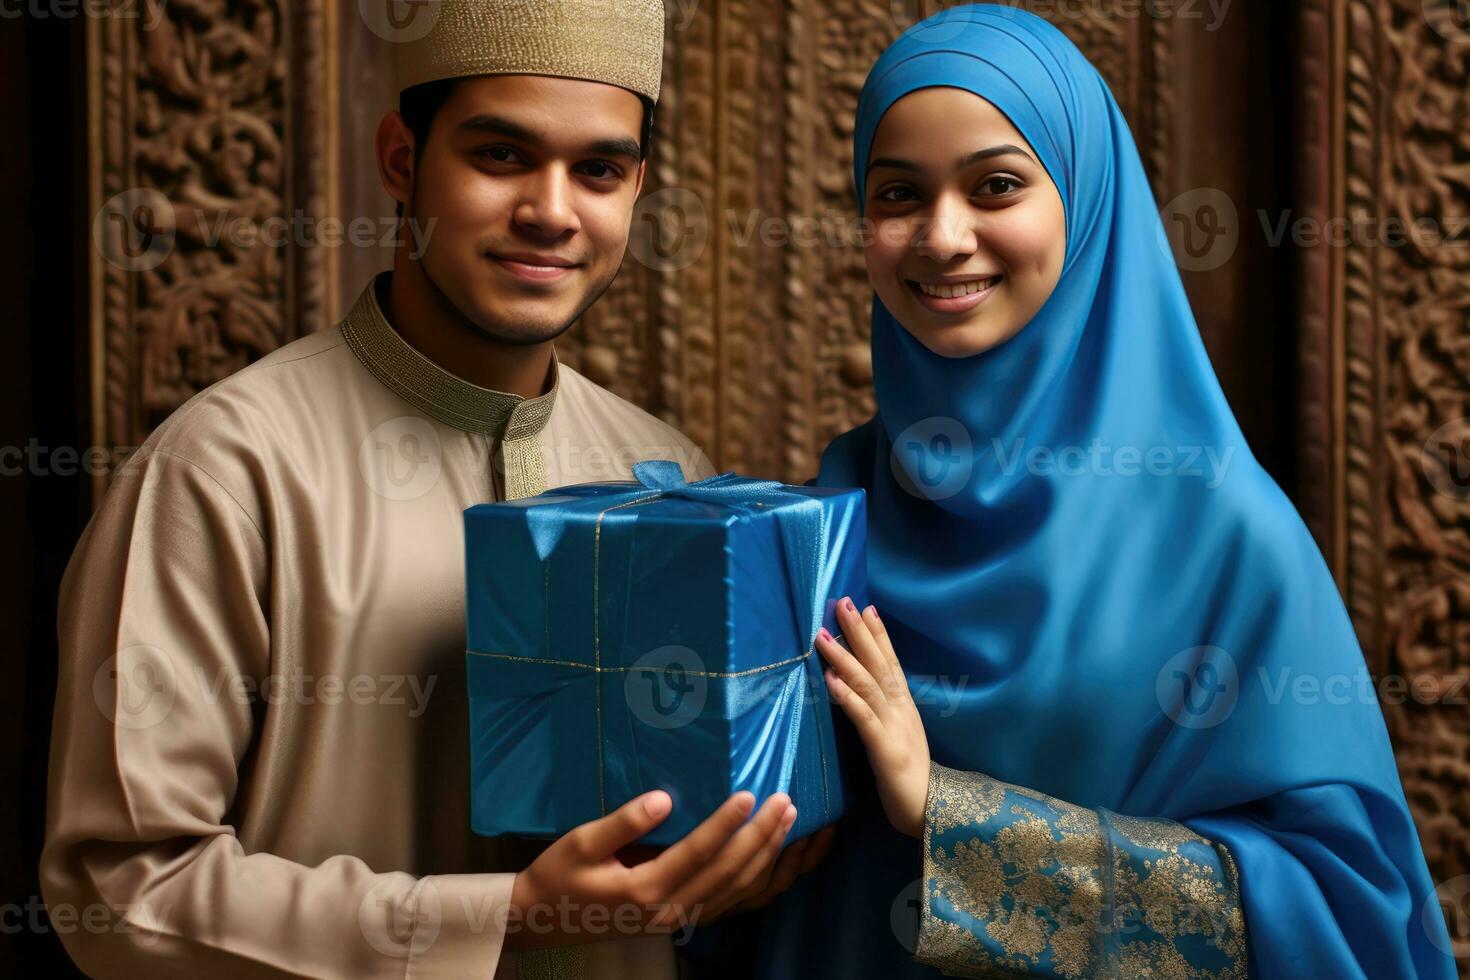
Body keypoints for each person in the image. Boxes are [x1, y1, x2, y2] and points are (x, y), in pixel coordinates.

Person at [40, 2, 829, 976]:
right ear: (402, 159)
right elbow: (120, 889)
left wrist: (751, 854)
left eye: (599, 170)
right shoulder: (226, 469)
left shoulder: (666, 472)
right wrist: (508, 912)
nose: (551, 209)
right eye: (500, 155)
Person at [746, 5, 1458, 977]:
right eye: (898, 193)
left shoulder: (1221, 536)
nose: (943, 236)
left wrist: (950, 817)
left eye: (996, 184)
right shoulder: (830, 516)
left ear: (1085, 203)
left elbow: (1338, 908)